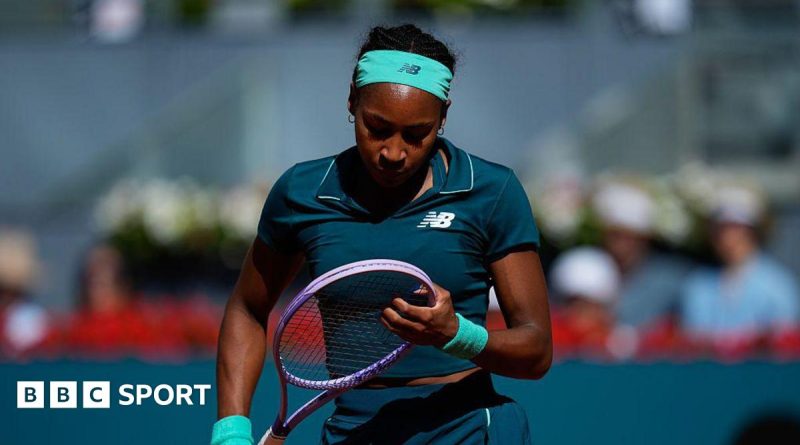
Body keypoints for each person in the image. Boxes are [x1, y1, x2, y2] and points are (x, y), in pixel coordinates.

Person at [214, 24, 552, 445]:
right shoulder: (300, 192)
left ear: (443, 117)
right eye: (376, 127)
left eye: (416, 134)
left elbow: (536, 352)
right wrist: (230, 433)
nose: (393, 152)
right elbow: (248, 309)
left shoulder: (491, 192)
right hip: (355, 432)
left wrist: (456, 334)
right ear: (351, 100)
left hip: (468, 429)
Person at [680, 184, 799, 354]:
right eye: (721, 229)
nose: (728, 237)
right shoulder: (697, 286)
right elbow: (693, 342)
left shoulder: (778, 285)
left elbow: (783, 346)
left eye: (737, 228)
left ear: (753, 232)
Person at [592, 180, 691, 330]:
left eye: (628, 236)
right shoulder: (591, 270)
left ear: (644, 239)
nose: (619, 245)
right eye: (614, 235)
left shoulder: (672, 279)